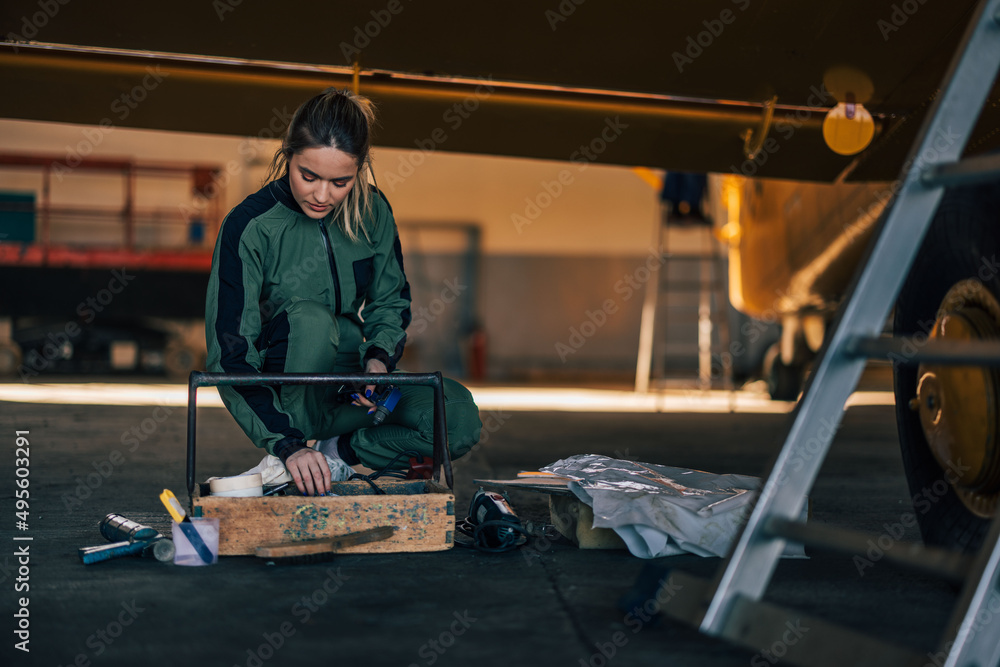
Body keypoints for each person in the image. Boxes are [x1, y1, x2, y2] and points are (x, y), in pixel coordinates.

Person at [205, 88, 482, 497]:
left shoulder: (373, 211)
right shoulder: (251, 225)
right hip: (290, 393)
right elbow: (230, 353)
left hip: (351, 388)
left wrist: (378, 358)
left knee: (455, 419)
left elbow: (390, 301)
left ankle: (337, 454)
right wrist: (286, 442)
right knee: (311, 320)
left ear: (360, 169)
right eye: (308, 176)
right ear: (288, 156)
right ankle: (296, 457)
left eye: (340, 182)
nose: (322, 195)